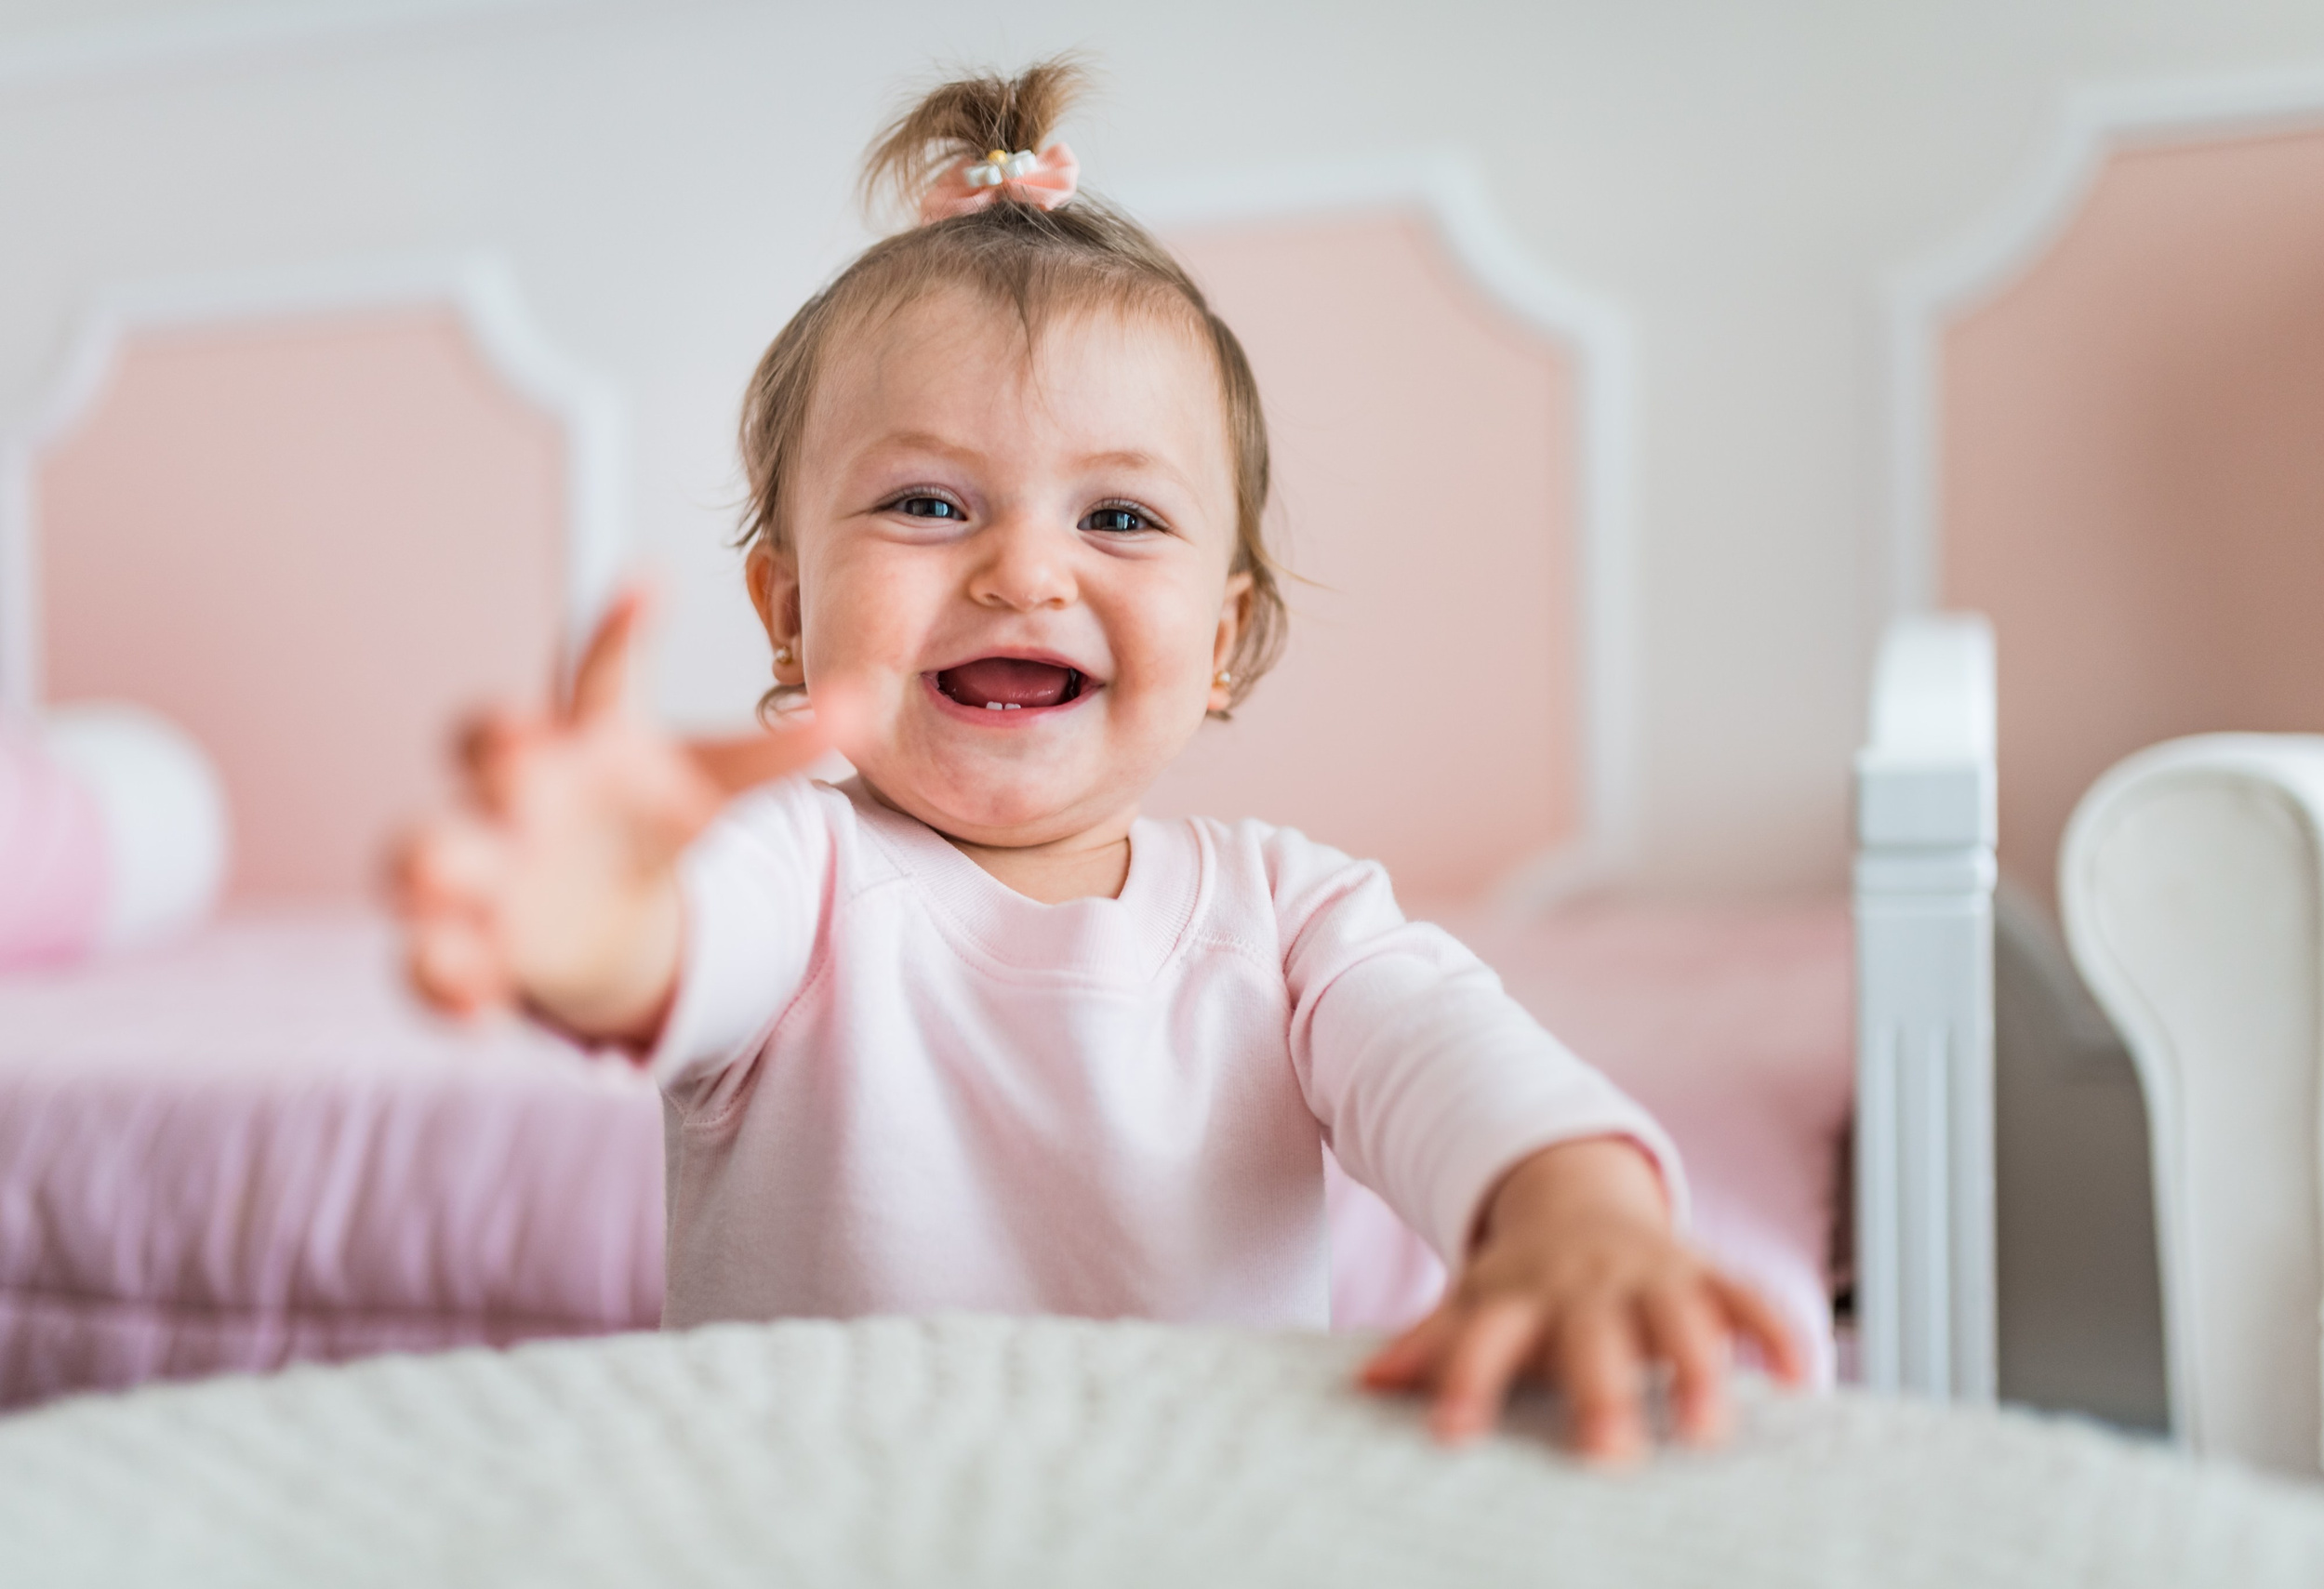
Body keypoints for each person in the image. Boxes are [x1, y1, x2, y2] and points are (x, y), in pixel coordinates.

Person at [393, 58, 1799, 1463]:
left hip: (1186, 1518)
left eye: (1119, 517)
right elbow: (671, 952)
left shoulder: (1288, 918)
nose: (1024, 571)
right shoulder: (796, 871)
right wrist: (591, 925)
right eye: (928, 503)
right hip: (821, 1514)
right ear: (790, 610)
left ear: (1225, 637)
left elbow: (1449, 1059)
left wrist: (1573, 1209)